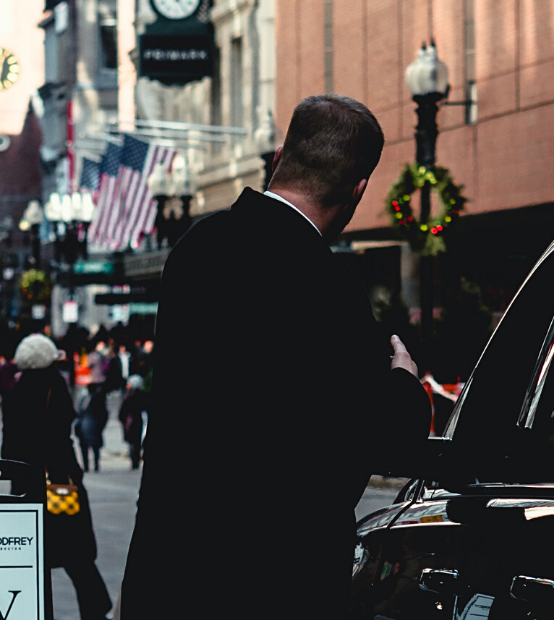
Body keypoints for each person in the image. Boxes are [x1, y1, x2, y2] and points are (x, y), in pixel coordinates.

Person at [121, 95, 433, 618]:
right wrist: (404, 379)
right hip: (276, 584)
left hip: (168, 573)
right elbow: (387, 440)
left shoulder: (196, 249)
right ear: (358, 189)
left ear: (281, 154)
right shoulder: (330, 290)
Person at [1, 334, 112, 620]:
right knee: (78, 555)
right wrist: (74, 473)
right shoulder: (55, 386)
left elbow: (9, 443)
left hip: (26, 484)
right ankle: (95, 608)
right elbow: (62, 436)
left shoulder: (16, 390)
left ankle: (36, 611)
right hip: (59, 481)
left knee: (34, 556)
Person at [74, 387, 107, 473]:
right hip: (94, 426)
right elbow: (103, 414)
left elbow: (77, 412)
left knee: (84, 447)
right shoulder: (97, 399)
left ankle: (86, 466)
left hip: (84, 426)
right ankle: (95, 465)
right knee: (95, 447)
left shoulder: (83, 399)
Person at [117, 374, 147, 469]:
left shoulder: (128, 396)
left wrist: (122, 420)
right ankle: (135, 460)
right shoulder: (142, 396)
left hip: (129, 422)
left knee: (131, 441)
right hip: (138, 420)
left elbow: (122, 411)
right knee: (137, 441)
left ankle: (133, 459)